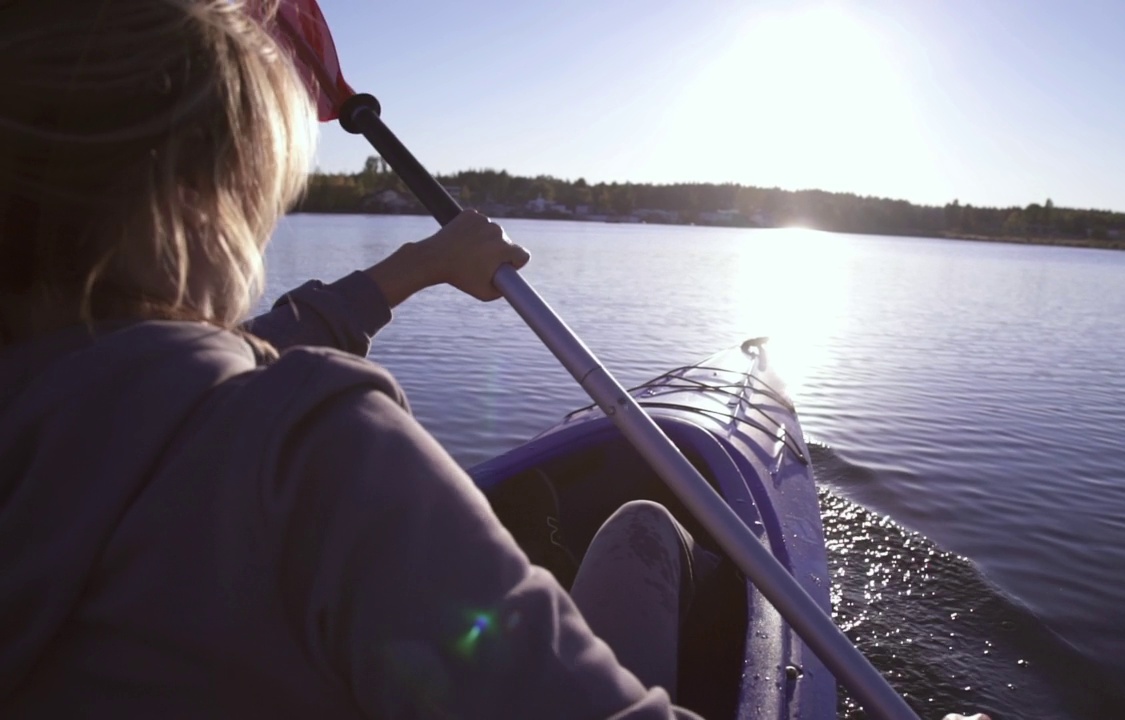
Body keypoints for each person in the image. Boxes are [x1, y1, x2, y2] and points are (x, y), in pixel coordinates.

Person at [0, 1, 699, 717]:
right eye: (258, 195)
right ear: (192, 206)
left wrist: (418, 265)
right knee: (647, 527)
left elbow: (201, 362)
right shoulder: (312, 450)